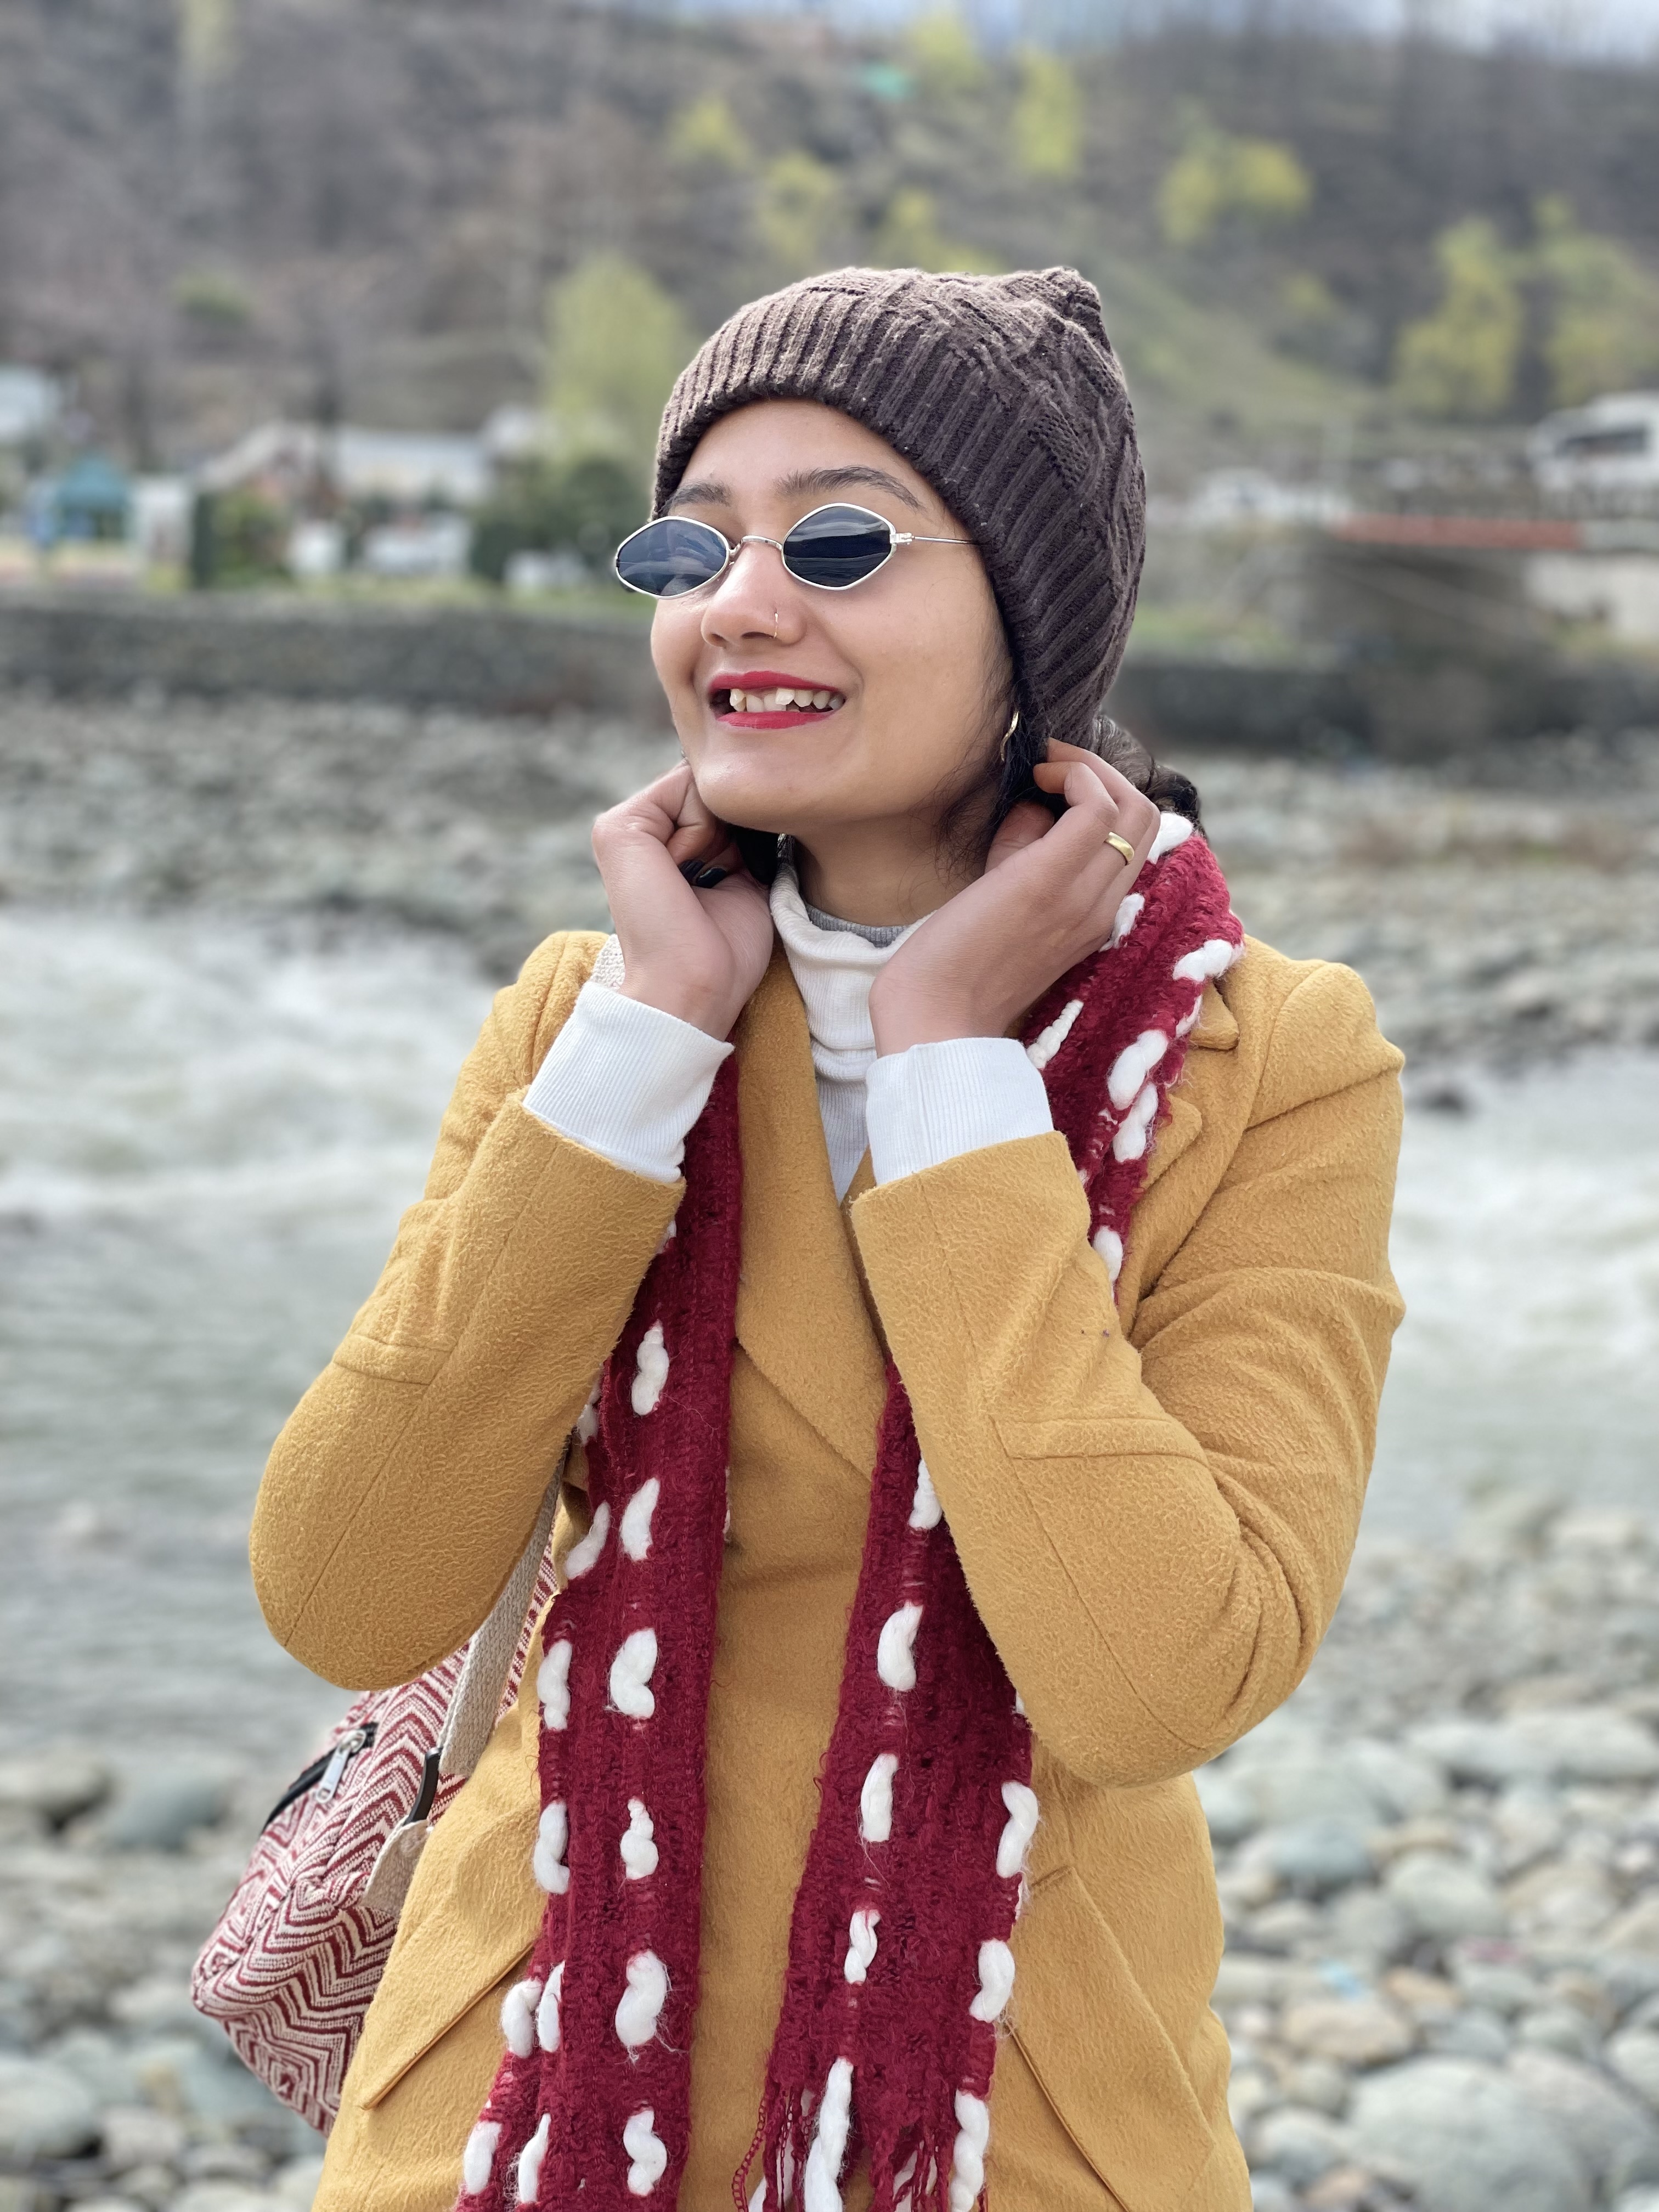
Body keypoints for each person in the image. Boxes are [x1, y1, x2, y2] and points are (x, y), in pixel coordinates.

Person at [250, 266, 1404, 2212]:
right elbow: (350, 1592)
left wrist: (947, 1065)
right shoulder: (588, 1019)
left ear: (1032, 618)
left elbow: (1154, 1678)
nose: (741, 604)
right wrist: (646, 1046)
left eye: (842, 542)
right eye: (689, 548)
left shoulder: (1265, 1058)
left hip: (1005, 2127)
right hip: (523, 2102)